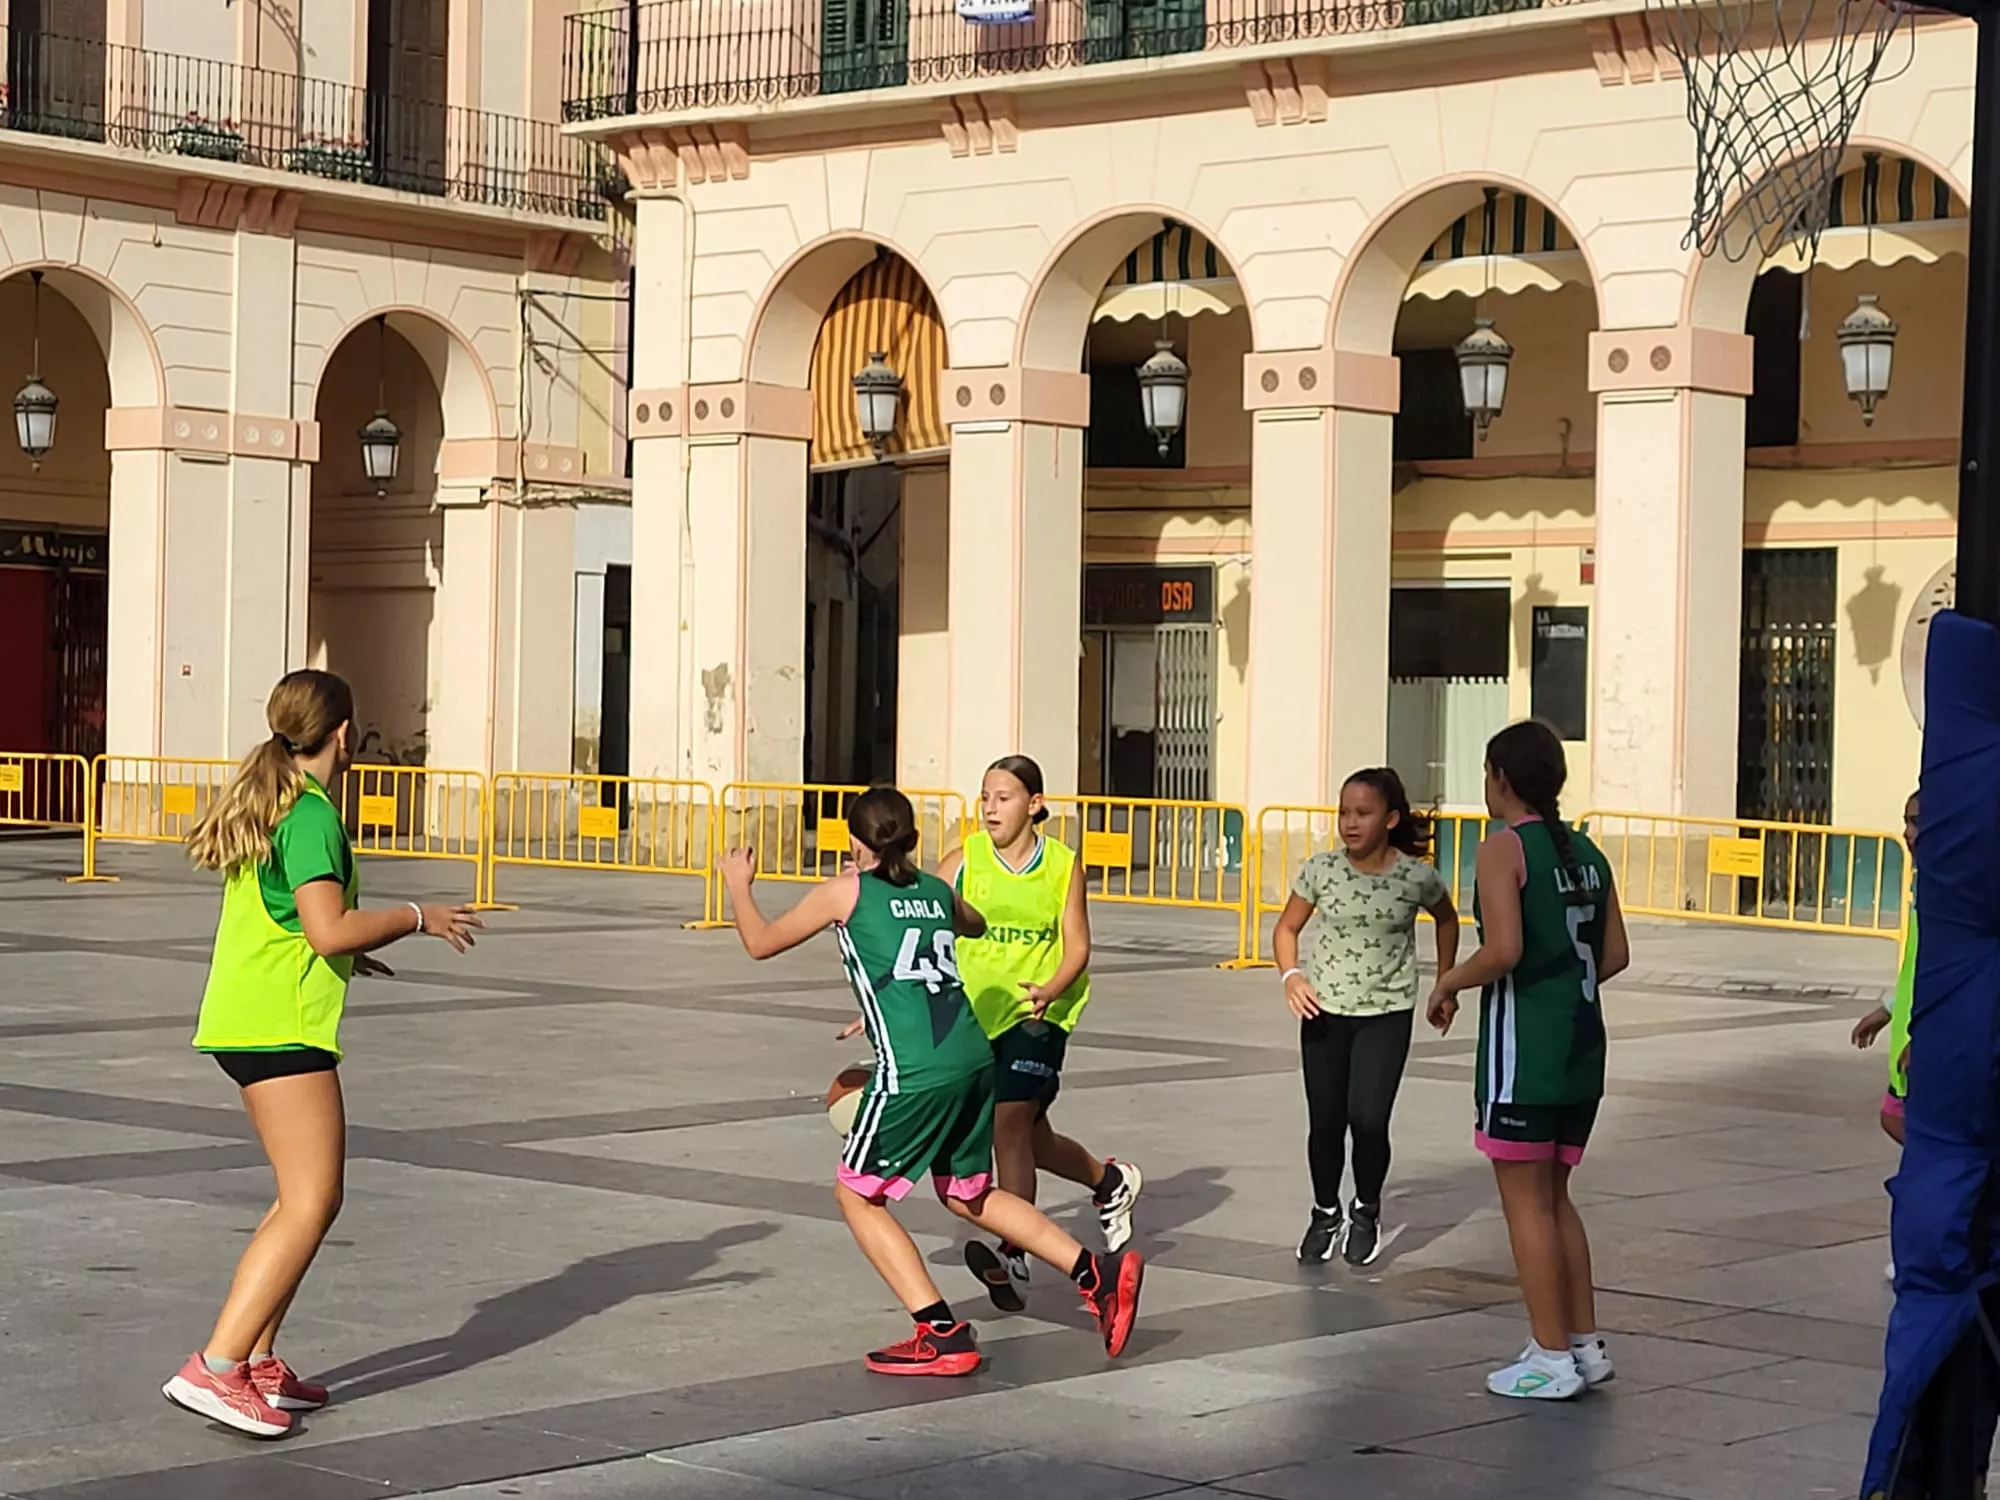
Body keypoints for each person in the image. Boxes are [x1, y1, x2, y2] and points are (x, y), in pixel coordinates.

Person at [718, 785, 1143, 1376]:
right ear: (911, 839)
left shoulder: (846, 891)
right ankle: (1096, 1275)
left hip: (914, 1070)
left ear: (855, 842)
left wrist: (739, 884)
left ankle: (939, 1331)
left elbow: (760, 943)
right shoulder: (938, 890)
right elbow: (973, 921)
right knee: (967, 1192)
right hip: (972, 1057)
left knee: (856, 1193)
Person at [164, 670, 483, 1437]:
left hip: (248, 1017)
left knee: (296, 1197)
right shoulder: (309, 817)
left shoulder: (271, 801)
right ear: (345, 732)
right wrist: (418, 915)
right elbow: (326, 927)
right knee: (313, 1200)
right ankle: (215, 1366)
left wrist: (346, 955)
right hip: (279, 1027)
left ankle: (260, 1363)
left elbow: (296, 923)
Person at [1427, 720, 1628, 1402]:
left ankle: (1548, 1355)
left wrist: (1450, 979)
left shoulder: (1502, 850)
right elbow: (1616, 955)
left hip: (1525, 1052)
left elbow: (1504, 949)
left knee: (1525, 1207)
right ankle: (1584, 1343)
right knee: (1556, 1198)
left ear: (1501, 778)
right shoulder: (1589, 854)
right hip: (1581, 1044)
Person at [938, 755, 1142, 1313]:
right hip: (977, 1013)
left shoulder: (1060, 864)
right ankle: (1108, 1181)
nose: (990, 808)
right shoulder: (962, 860)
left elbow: (1077, 943)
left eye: (1003, 797)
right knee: (1031, 1137)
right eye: (984, 797)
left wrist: (1051, 988)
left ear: (1034, 805)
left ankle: (1014, 1252)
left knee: (1008, 1122)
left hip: (1039, 1013)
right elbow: (917, 925)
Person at [1272, 768, 1459, 1267]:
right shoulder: (1320, 870)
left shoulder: (1415, 876)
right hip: (1324, 1014)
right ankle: (1324, 1211)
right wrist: (1292, 976)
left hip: (1387, 1013)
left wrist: (1445, 981)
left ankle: (1366, 1209)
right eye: (1344, 813)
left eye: (1363, 813)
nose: (1350, 823)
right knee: (1326, 1122)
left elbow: (1447, 918)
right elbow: (1287, 928)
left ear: (1391, 818)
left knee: (1369, 1119)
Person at [1852, 788, 1919, 1282]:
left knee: (1929, 1158)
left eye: (1916, 821)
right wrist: (1886, 1008)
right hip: (1911, 1047)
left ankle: (1918, 1248)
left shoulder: (1956, 889)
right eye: (1905, 821)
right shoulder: (1926, 888)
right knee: (1896, 1124)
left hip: (1931, 1046)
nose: (1907, 833)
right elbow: (1917, 965)